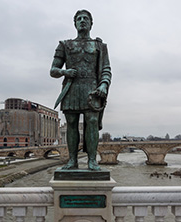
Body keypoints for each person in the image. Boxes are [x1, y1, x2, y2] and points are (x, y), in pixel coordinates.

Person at [50, 9, 112, 171]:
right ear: (75, 23)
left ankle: (92, 160)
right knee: (71, 124)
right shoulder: (65, 45)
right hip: (72, 88)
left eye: (86, 18)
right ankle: (72, 160)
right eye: (79, 18)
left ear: (91, 23)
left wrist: (104, 84)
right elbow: (53, 70)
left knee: (91, 123)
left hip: (92, 89)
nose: (82, 20)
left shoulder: (100, 46)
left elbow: (106, 69)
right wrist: (65, 72)